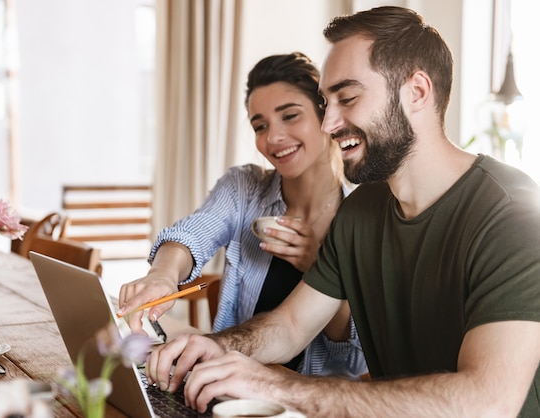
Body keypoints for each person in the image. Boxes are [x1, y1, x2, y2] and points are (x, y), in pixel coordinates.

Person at [144, 6, 540, 417]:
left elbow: (488, 404)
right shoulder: (362, 211)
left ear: (417, 92)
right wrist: (216, 347)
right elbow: (292, 327)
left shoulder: (512, 216)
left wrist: (281, 385)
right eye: (326, 102)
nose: (329, 123)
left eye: (347, 98)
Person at [118, 52, 367, 378]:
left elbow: (353, 361)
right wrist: (163, 275)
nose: (273, 138)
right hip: (226, 389)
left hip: (307, 404)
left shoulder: (362, 217)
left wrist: (320, 269)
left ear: (326, 116)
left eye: (290, 116)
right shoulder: (245, 188)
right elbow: (192, 234)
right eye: (260, 125)